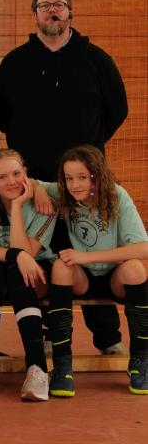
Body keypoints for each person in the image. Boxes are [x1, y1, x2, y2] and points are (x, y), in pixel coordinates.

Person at [0, 0, 129, 358]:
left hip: (84, 183)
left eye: (59, 5)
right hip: (34, 183)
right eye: (44, 5)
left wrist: (88, 152)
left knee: (93, 249)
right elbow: (0, 114)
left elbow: (117, 109)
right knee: (44, 257)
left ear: (70, 11)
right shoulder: (15, 63)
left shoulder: (96, 60)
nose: (52, 11)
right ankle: (52, 333)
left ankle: (107, 336)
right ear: (35, 14)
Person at [36, 145, 148, 396]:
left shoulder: (117, 195)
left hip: (113, 276)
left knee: (135, 269)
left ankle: (141, 361)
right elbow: (29, 182)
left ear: (96, 175)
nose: (74, 185)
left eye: (82, 177)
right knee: (60, 267)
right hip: (83, 278)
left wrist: (87, 257)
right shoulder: (64, 193)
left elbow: (143, 248)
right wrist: (39, 191)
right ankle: (63, 365)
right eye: (68, 178)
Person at [0, 148, 55, 401]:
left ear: (26, 174)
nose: (11, 181)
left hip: (35, 275)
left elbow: (28, 253)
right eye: (2, 177)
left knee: (18, 273)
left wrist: (18, 206)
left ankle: (38, 368)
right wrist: (16, 256)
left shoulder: (44, 202)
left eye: (17, 174)